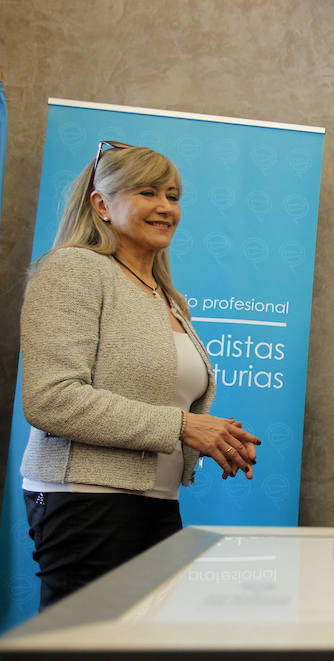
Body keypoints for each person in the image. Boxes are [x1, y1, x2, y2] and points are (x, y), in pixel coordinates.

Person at [20, 141, 262, 610]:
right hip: (84, 500)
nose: (165, 207)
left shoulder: (168, 297)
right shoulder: (73, 270)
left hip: (157, 500)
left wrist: (211, 435)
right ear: (101, 204)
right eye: (148, 192)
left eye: (173, 196)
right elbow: (50, 399)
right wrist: (184, 426)